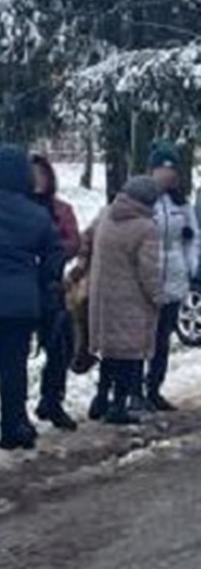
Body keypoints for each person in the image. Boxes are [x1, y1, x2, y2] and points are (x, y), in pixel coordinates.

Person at [0, 145, 62, 451]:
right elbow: (54, 256)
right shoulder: (36, 215)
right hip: (21, 304)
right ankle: (13, 424)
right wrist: (39, 282)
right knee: (14, 366)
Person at [88, 177, 163, 426]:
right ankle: (118, 406)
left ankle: (100, 399)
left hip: (102, 297)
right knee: (129, 355)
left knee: (110, 352)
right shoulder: (146, 228)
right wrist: (157, 296)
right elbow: (149, 271)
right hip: (132, 301)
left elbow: (84, 241)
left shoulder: (105, 215)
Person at [141, 140, 200, 412]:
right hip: (146, 276)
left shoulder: (181, 203)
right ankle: (131, 390)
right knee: (141, 337)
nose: (168, 175)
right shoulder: (143, 199)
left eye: (171, 170)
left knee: (162, 338)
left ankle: (154, 387)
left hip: (174, 276)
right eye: (162, 170)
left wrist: (190, 266)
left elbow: (193, 237)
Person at [30, 154, 81, 431]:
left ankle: (52, 400)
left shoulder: (60, 209)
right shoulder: (16, 208)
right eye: (33, 174)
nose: (38, 180)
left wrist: (54, 250)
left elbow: (74, 241)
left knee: (60, 345)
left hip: (52, 287)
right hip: (22, 288)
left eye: (43, 174)